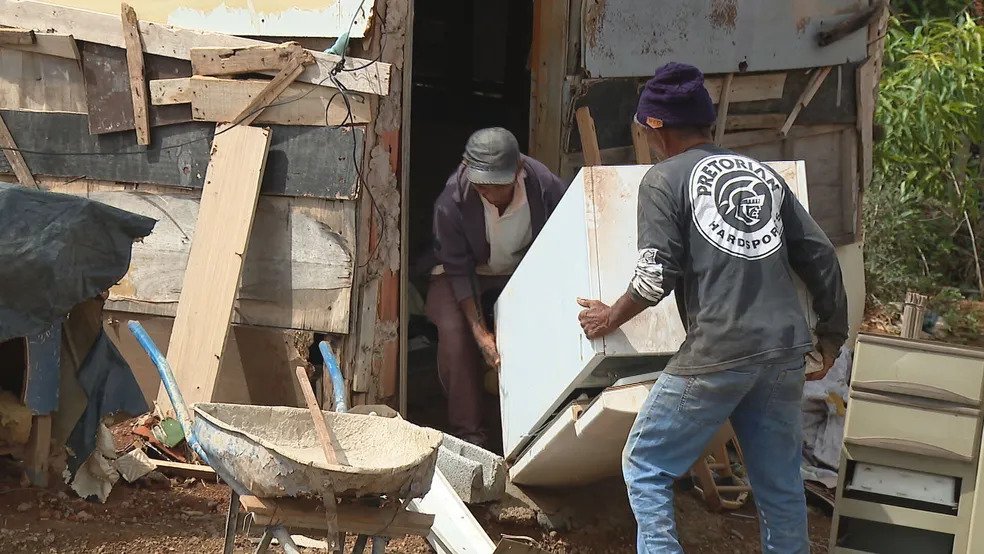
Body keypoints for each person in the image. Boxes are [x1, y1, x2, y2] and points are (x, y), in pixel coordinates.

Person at [576, 63, 848, 554]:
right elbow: (822, 255)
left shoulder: (662, 180)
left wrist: (607, 317)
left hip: (721, 348)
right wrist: (831, 336)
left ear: (656, 126)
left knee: (645, 463)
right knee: (781, 486)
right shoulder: (762, 174)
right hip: (785, 347)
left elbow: (653, 278)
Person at [425, 127, 568, 448]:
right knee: (455, 329)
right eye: (482, 185)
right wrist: (481, 333)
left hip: (520, 271)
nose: (489, 193)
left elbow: (565, 234)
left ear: (518, 170)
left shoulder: (543, 185)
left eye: (497, 186)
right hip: (461, 272)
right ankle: (469, 433)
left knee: (538, 326)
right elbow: (458, 269)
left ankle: (533, 427)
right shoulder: (452, 199)